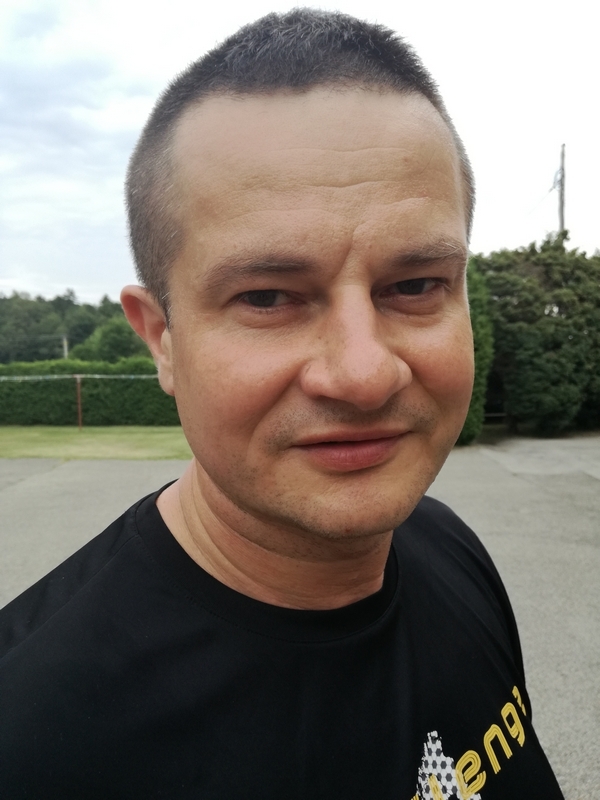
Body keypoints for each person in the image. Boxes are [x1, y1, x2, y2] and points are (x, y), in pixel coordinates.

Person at [0, 9, 564, 799]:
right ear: (162, 338)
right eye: (267, 296)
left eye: (414, 285)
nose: (364, 375)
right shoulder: (32, 739)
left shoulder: (444, 546)